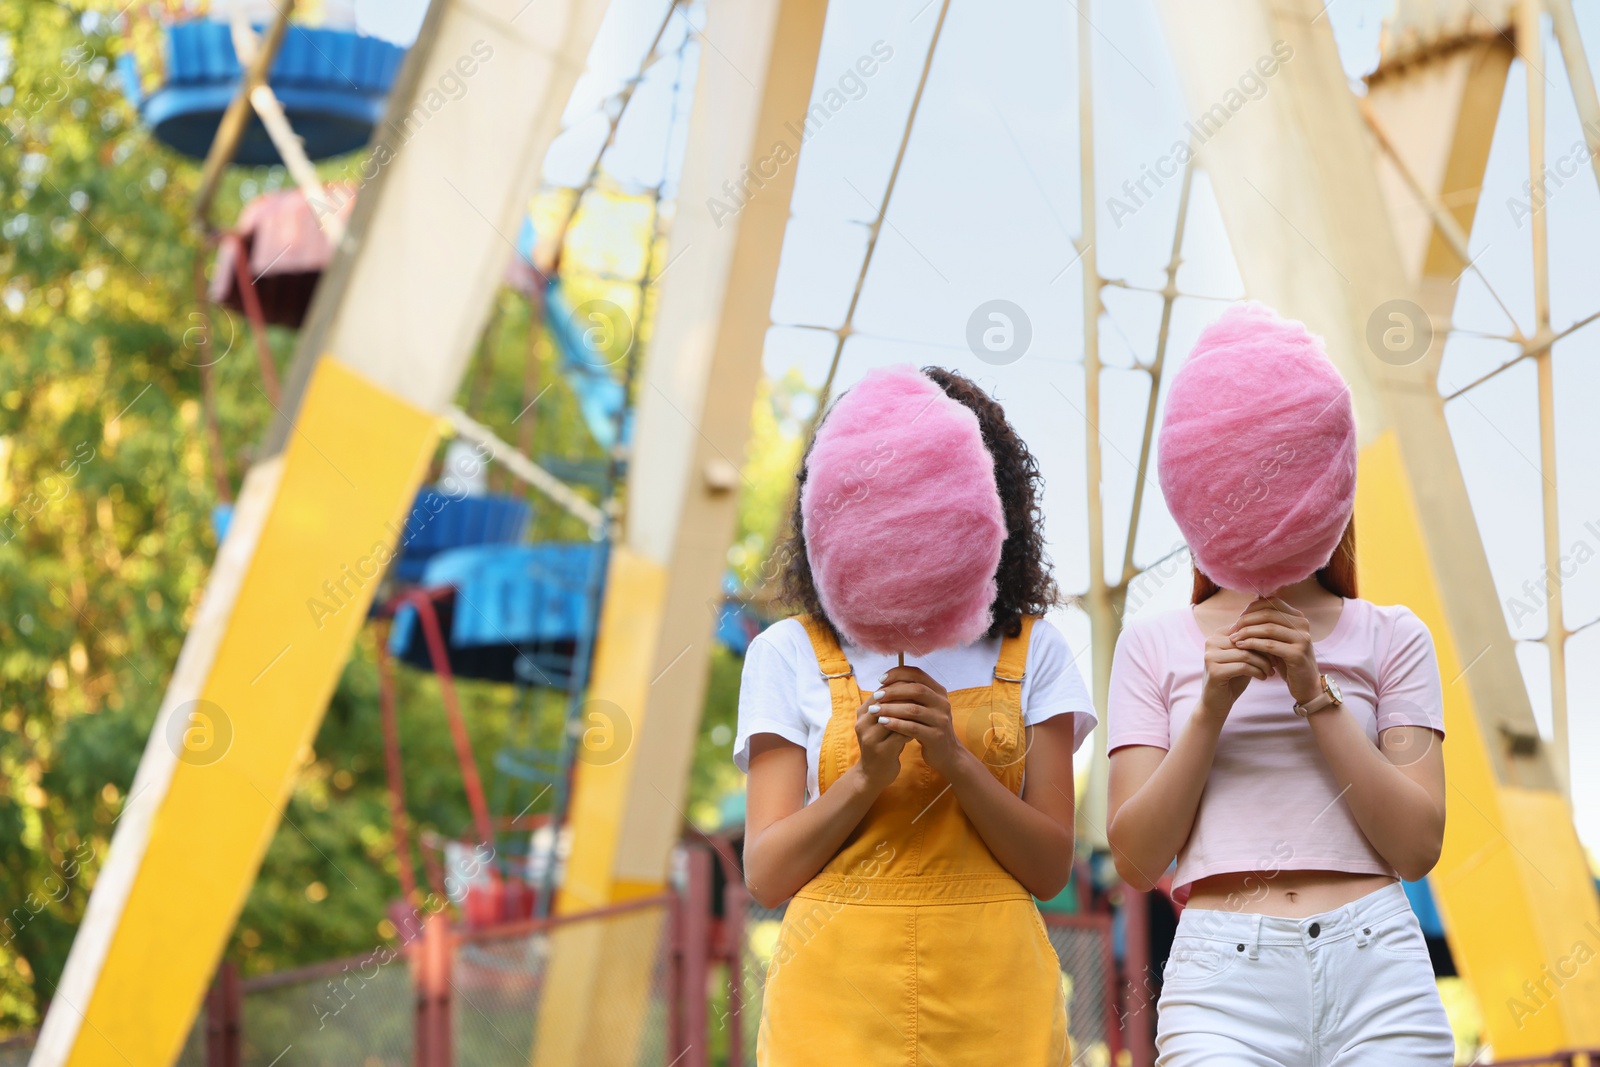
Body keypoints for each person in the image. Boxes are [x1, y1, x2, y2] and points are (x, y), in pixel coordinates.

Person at [1107, 303, 1454, 1065]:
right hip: (1220, 979)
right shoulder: (1153, 643)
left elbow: (1417, 843)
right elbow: (1135, 858)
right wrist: (1209, 708)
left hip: (1379, 968)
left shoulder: (1393, 634)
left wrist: (1315, 692)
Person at [735, 367, 1096, 1065]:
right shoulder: (787, 652)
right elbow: (767, 873)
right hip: (832, 1002)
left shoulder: (1035, 649)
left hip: (996, 999)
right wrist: (865, 777)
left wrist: (956, 759)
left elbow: (1050, 865)